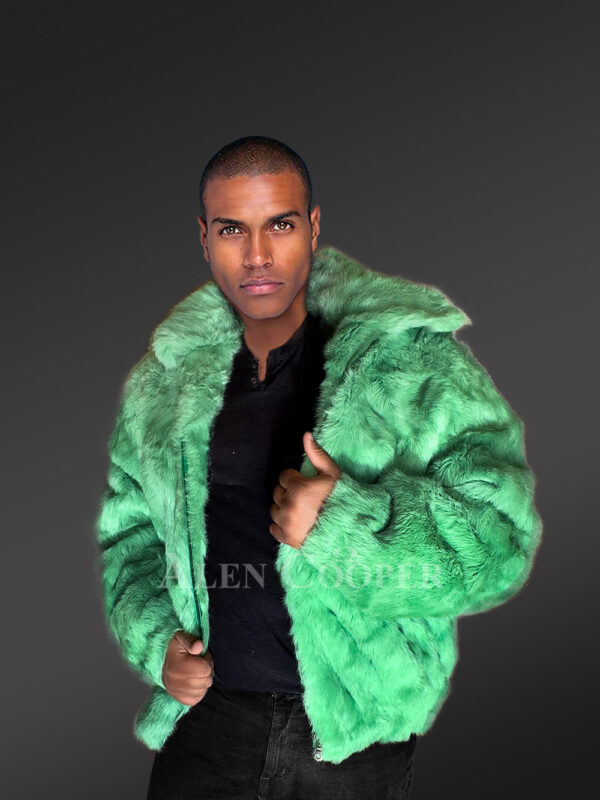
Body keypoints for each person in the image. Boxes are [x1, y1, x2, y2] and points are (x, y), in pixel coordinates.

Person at [95, 135, 543, 799]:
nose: (257, 255)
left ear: (312, 227)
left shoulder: (411, 365)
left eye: (279, 224)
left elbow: (500, 544)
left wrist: (345, 525)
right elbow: (129, 537)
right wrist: (158, 644)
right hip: (208, 728)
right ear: (204, 238)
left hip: (355, 740)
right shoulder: (163, 385)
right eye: (232, 229)